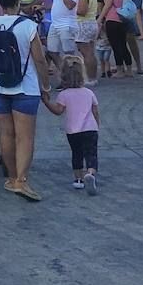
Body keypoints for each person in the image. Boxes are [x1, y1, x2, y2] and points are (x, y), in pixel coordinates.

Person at [0, 0, 50, 200]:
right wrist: (45, 86)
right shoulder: (27, 26)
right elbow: (39, 59)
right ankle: (22, 180)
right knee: (25, 137)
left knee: (6, 134)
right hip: (25, 88)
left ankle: (11, 178)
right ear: (18, 2)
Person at [44, 58, 100, 195]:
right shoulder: (89, 93)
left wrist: (46, 102)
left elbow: (58, 111)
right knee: (91, 153)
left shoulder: (63, 95)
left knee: (77, 154)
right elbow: (95, 111)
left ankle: (78, 179)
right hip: (90, 129)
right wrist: (97, 125)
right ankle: (91, 173)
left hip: (73, 130)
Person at [99, 0, 134, 77]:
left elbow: (108, 5)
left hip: (112, 20)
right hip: (121, 20)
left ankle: (120, 69)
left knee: (116, 46)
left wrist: (100, 18)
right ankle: (129, 69)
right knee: (123, 45)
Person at [47, 0, 81, 71]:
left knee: (69, 54)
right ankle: (64, 74)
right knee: (51, 51)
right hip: (55, 23)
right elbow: (56, 3)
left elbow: (70, 5)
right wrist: (43, 7)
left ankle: (73, 77)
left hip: (67, 24)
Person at [74, 0, 99, 85]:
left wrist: (73, 10)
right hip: (92, 23)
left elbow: (82, 11)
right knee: (91, 53)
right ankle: (93, 77)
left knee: (86, 53)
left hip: (83, 24)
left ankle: (90, 78)